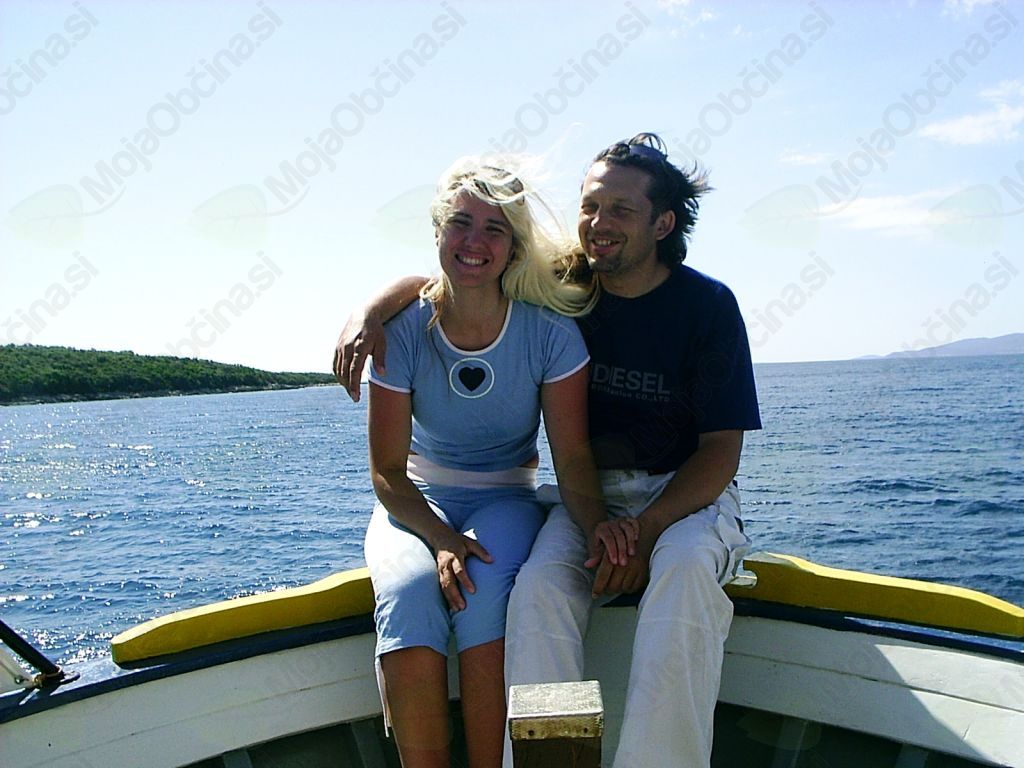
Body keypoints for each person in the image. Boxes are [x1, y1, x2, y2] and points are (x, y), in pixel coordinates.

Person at [339, 133, 761, 767]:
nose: (598, 224)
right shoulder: (570, 280)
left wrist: (646, 529)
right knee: (536, 593)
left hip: (682, 497)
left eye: (620, 210)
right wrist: (374, 310)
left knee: (681, 581)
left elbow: (720, 452)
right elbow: (461, 272)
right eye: (590, 206)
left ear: (663, 224)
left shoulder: (708, 307)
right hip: (587, 495)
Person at [361, 157, 637, 768]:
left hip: (507, 497)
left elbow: (572, 456)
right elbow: (387, 472)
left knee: (481, 593)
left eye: (495, 229)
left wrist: (599, 528)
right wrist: (440, 539)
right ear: (438, 231)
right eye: (461, 223)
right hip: (417, 500)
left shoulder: (549, 333)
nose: (475, 242)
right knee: (408, 592)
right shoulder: (401, 331)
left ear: (513, 247)